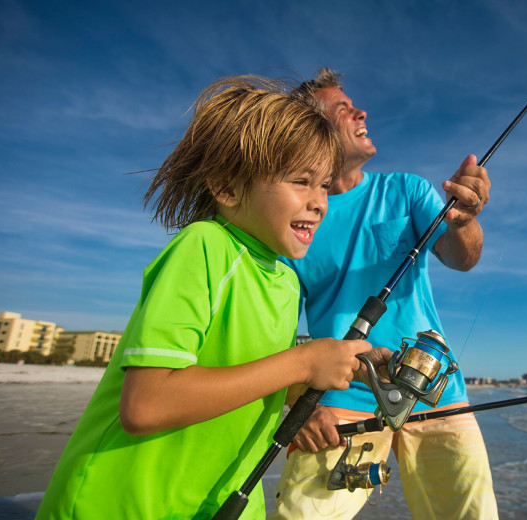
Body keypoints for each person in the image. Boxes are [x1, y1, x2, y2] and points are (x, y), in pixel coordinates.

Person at [35, 75, 383, 520]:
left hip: (221, 502)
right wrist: (302, 363)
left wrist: (313, 387)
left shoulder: (285, 280)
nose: (319, 202)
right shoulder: (204, 246)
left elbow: (242, 369)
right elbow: (147, 404)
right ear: (228, 188)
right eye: (301, 181)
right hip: (122, 502)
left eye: (324, 186)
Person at [272, 68, 499, 519]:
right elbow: (275, 327)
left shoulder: (407, 190)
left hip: (435, 391)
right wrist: (297, 400)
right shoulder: (292, 217)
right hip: (337, 398)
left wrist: (465, 218)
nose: (361, 112)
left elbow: (463, 257)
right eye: (343, 109)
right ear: (309, 130)